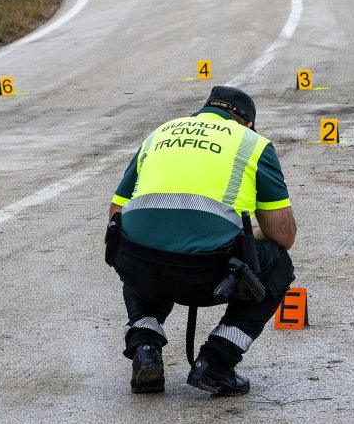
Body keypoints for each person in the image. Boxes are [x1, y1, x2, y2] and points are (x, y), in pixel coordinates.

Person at [106, 86, 297, 396]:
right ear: (247, 123)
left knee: (142, 245)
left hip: (139, 265)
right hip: (208, 273)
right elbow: (283, 235)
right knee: (278, 264)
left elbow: (116, 213)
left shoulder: (159, 135)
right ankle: (216, 361)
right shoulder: (253, 144)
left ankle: (145, 348)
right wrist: (245, 238)